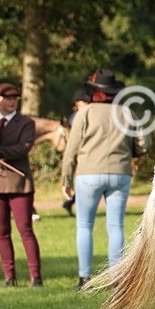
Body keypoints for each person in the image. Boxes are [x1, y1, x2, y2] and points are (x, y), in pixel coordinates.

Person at [61, 70, 150, 290]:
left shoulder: (85, 113)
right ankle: (115, 278)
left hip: (88, 173)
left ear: (96, 92)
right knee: (116, 226)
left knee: (84, 225)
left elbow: (71, 150)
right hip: (120, 173)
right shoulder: (127, 113)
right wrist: (130, 152)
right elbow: (144, 143)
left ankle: (84, 278)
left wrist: (66, 179)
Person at [0, 82, 43, 287]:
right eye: (8, 97)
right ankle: (9, 276)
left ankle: (35, 276)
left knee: (25, 230)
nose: (12, 101)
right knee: (2, 232)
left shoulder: (25, 122)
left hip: (18, 184)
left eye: (15, 98)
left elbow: (23, 148)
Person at [60, 89, 91, 217]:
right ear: (78, 103)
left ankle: (71, 203)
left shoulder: (86, 115)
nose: (88, 104)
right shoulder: (76, 117)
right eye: (85, 101)